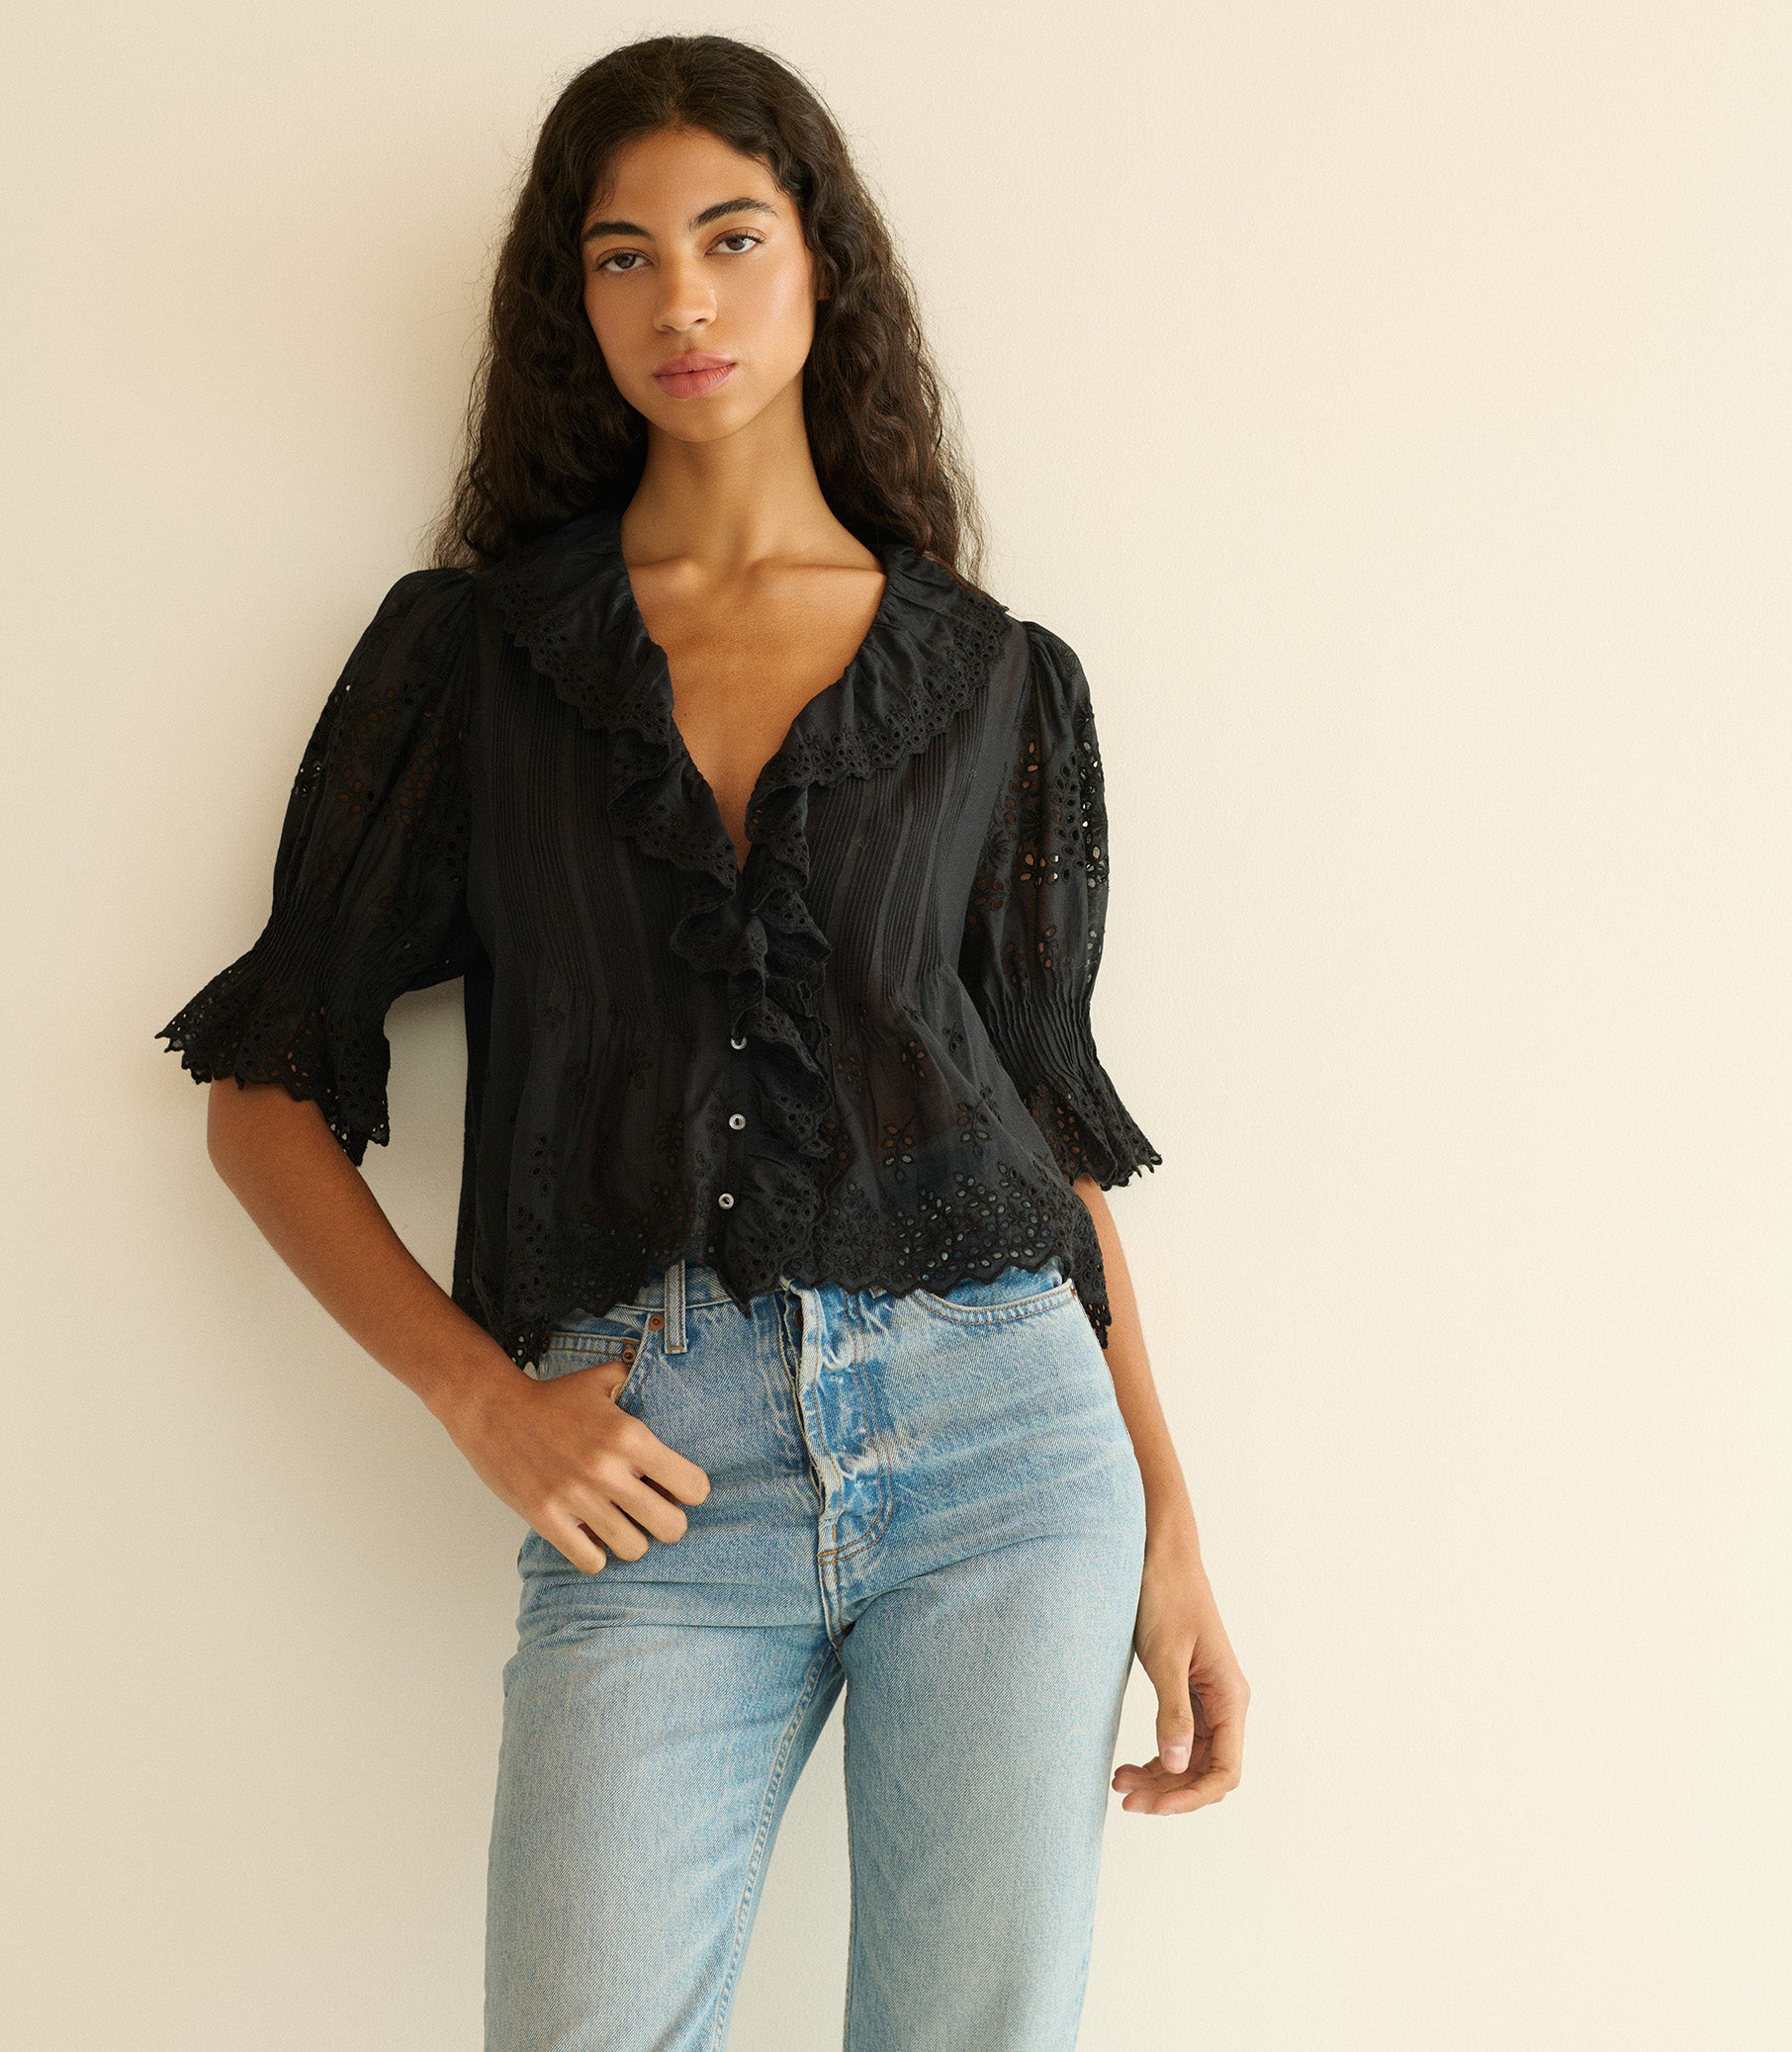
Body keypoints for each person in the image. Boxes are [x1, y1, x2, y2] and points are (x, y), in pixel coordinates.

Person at [154, 33, 1249, 2052]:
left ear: (821, 266)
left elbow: (1044, 1125)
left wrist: (1170, 1518)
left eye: (731, 239)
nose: (684, 301)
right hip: (655, 1472)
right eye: (624, 255)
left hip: (1011, 1447)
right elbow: (261, 1097)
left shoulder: (996, 681)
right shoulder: (476, 657)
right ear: (572, 304)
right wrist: (483, 1401)